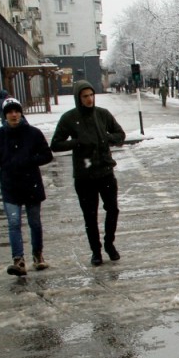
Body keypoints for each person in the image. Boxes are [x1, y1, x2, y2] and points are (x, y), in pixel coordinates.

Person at [51, 80, 127, 266]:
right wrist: (77, 142)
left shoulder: (102, 114)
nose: (89, 99)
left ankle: (109, 243)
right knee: (90, 215)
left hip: (105, 171)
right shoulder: (70, 118)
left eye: (91, 95)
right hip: (84, 176)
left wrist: (107, 138)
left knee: (113, 209)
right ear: (78, 98)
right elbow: (56, 144)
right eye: (85, 96)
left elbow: (120, 134)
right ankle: (96, 251)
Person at [0, 98, 54, 276]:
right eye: (9, 112)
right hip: (10, 185)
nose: (14, 115)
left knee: (34, 222)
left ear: (21, 113)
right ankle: (18, 260)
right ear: (5, 115)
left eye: (16, 111)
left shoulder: (33, 133)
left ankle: (38, 255)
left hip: (31, 184)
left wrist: (30, 161)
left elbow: (47, 155)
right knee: (14, 223)